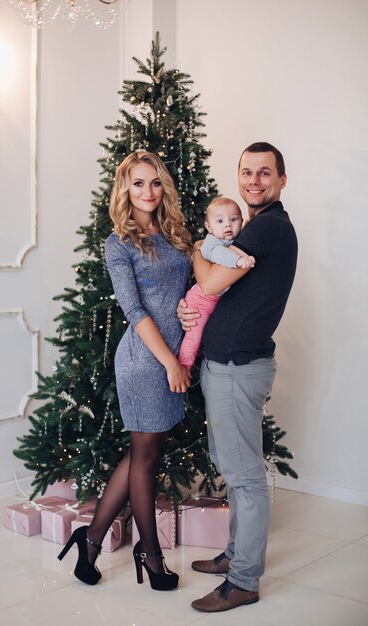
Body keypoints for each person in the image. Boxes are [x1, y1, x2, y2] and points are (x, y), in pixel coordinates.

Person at [58, 151, 192, 591]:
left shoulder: (174, 233)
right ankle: (150, 555)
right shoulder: (119, 243)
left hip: (175, 354)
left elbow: (188, 289)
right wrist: (169, 360)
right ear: (125, 189)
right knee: (146, 457)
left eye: (155, 183)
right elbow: (133, 310)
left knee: (142, 454)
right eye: (138, 184)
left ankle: (91, 541)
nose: (148, 192)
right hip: (144, 360)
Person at [178, 142, 298, 612]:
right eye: (247, 172)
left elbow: (208, 283)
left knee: (245, 476)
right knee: (233, 466)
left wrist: (194, 249)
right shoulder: (248, 231)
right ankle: (234, 556)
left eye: (265, 173)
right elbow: (218, 295)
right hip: (223, 364)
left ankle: (244, 580)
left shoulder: (267, 228)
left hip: (238, 368)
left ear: (282, 180)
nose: (254, 181)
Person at [178, 197, 255, 372]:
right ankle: (184, 366)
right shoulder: (211, 242)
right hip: (201, 302)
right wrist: (238, 261)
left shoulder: (234, 238)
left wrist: (248, 227)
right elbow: (219, 254)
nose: (227, 225)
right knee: (194, 336)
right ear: (208, 227)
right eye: (220, 221)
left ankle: (199, 359)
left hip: (216, 301)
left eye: (233, 219)